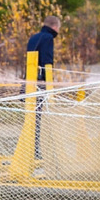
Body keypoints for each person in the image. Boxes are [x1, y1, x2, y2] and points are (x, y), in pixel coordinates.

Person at [26, 16, 61, 159]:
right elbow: (47, 62)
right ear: (54, 27)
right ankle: (37, 151)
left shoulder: (33, 38)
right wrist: (49, 84)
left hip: (29, 82)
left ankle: (32, 148)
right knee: (42, 118)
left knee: (32, 118)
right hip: (40, 84)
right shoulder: (48, 38)